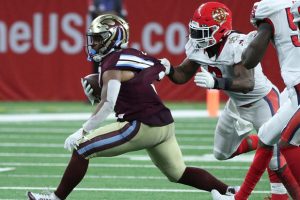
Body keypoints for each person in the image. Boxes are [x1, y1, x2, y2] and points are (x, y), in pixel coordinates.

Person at [26, 14, 237, 200]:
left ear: (112, 38)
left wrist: (83, 130)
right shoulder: (134, 54)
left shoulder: (111, 65)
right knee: (178, 173)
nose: (94, 43)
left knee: (82, 148)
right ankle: (230, 191)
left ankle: (54, 198)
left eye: (98, 39)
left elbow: (108, 103)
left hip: (141, 125)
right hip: (163, 124)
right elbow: (156, 71)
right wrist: (105, 91)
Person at [159, 2, 299, 199]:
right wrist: (168, 69)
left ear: (221, 29)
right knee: (222, 153)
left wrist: (215, 82)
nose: (197, 37)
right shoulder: (197, 47)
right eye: (195, 31)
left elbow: (246, 82)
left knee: (276, 162)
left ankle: (286, 196)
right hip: (235, 104)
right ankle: (264, 140)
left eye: (203, 32)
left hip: (262, 101)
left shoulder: (237, 44)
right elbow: (182, 74)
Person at [211, 0, 300, 199]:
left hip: (297, 85)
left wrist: (251, 43)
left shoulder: (269, 8)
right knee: (268, 135)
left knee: (288, 143)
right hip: (294, 89)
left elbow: (250, 60)